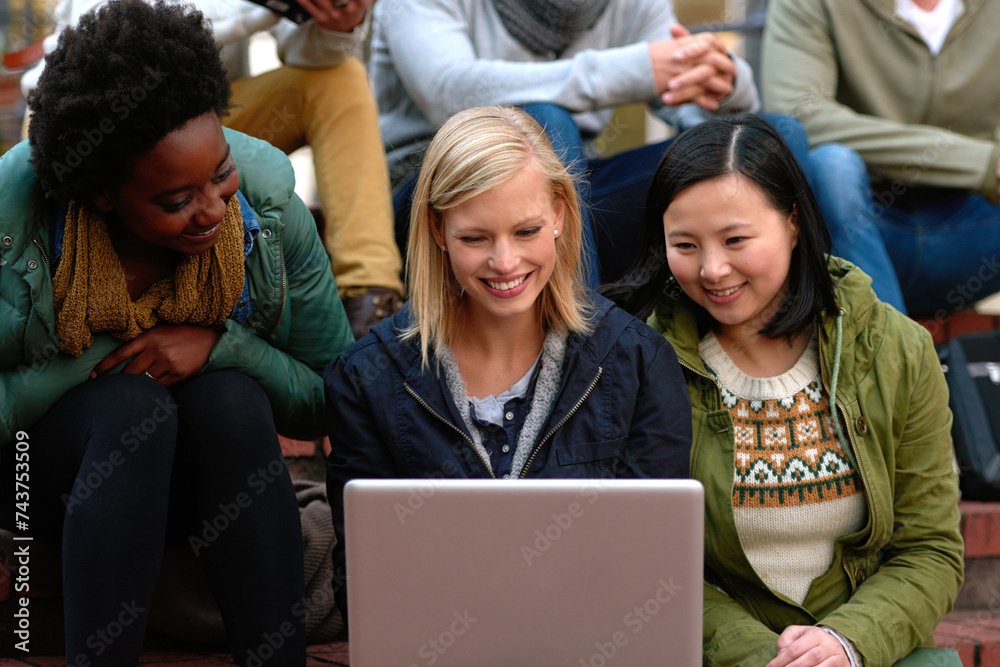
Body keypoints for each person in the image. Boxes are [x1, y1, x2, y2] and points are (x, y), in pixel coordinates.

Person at [0, 0, 354, 663]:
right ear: (103, 196)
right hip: (34, 483)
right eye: (175, 201)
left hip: (196, 490)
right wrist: (103, 359)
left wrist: (226, 348)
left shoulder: (269, 210)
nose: (214, 209)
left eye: (220, 172)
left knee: (229, 396)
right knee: (135, 404)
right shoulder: (13, 224)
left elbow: (331, 394)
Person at [605, 115, 963, 666]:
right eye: (685, 245)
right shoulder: (639, 362)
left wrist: (847, 643)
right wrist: (764, 659)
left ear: (793, 221)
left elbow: (930, 549)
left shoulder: (896, 349)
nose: (713, 269)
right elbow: (640, 568)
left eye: (736, 239)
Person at [324, 105, 692, 621]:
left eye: (525, 231)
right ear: (436, 228)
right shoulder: (367, 379)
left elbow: (657, 575)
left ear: (561, 214)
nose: (504, 263)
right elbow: (363, 589)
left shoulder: (637, 362)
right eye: (475, 238)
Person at [20, 0, 404, 338]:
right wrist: (257, 8)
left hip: (212, 124)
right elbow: (99, 45)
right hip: (118, 141)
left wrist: (333, 21)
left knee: (342, 77)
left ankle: (370, 296)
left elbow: (307, 56)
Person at [372, 0, 776, 286]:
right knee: (544, 121)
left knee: (775, 137)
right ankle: (582, 341)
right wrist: (630, 70)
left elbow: (692, 117)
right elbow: (449, 92)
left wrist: (726, 83)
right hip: (436, 189)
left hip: (564, 199)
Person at [761, 0, 1000, 317]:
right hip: (854, 225)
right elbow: (800, 117)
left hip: (975, 224)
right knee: (832, 166)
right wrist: (983, 163)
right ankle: (889, 356)